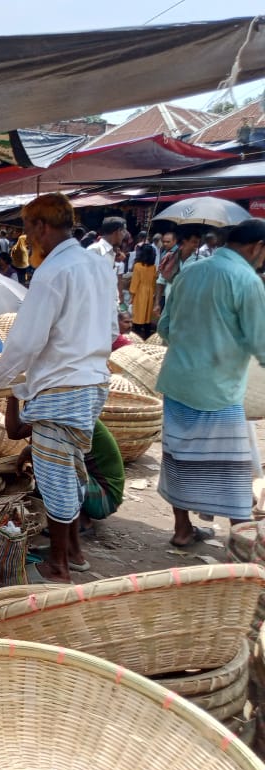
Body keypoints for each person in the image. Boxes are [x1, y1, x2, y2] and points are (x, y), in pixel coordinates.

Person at [0, 193, 117, 583]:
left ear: (40, 226)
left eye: (28, 228)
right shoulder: (99, 264)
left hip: (60, 386)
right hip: (90, 382)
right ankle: (72, 551)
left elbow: (26, 339)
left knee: (54, 476)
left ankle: (60, 565)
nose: (27, 237)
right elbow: (113, 328)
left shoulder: (54, 271)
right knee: (71, 468)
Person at [155, 219, 265, 547]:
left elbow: (165, 328)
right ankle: (244, 547)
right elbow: (261, 342)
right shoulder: (247, 280)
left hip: (178, 382)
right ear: (258, 247)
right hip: (217, 389)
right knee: (231, 468)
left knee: (179, 459)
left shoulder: (190, 271)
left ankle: (182, 528)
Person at [6, 397, 125, 570]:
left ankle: (79, 529)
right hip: (95, 485)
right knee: (45, 466)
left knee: (50, 469)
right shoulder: (59, 405)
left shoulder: (57, 408)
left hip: (105, 495)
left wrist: (11, 394)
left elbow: (14, 432)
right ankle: (67, 544)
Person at [154, 225, 204, 318]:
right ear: (185, 242)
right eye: (194, 242)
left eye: (198, 243)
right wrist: (157, 303)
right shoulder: (169, 258)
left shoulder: (201, 261)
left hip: (189, 307)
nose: (196, 245)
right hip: (169, 304)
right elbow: (161, 282)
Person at [128, 243, 157, 338]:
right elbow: (154, 282)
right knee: (146, 316)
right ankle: (147, 336)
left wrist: (132, 295)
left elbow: (135, 282)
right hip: (149, 292)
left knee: (138, 315)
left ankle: (137, 336)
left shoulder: (137, 266)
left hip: (140, 292)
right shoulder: (153, 267)